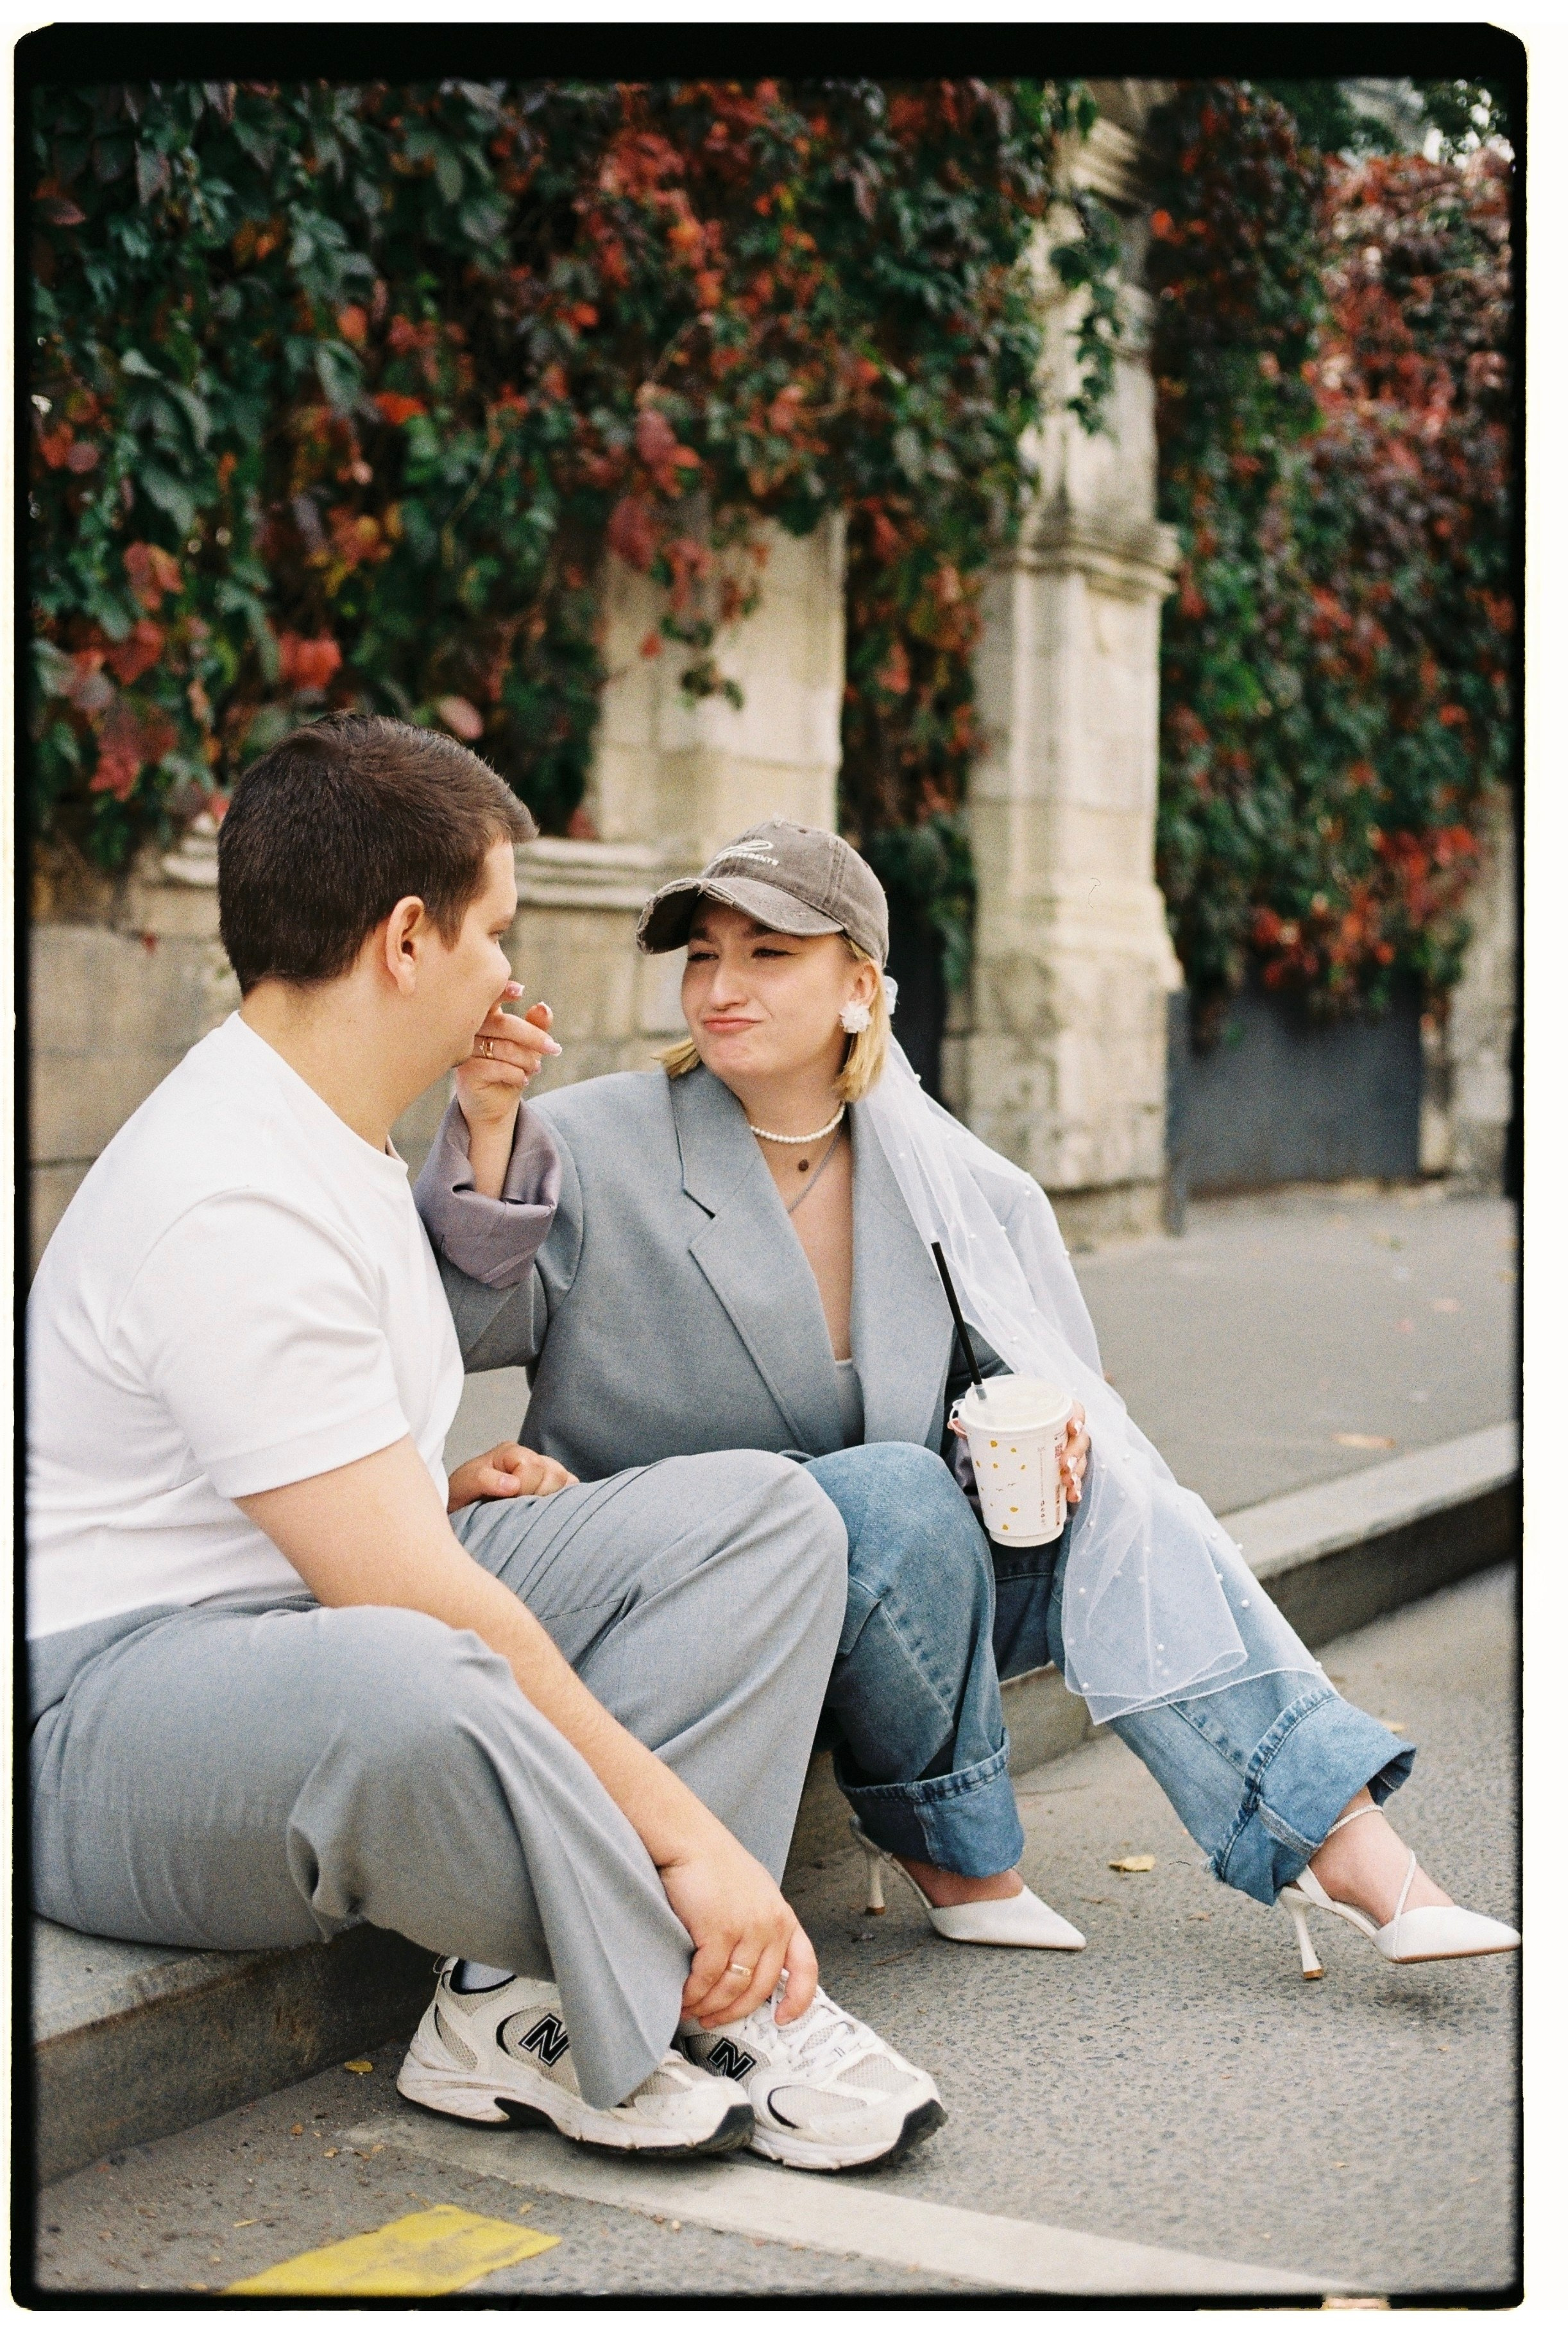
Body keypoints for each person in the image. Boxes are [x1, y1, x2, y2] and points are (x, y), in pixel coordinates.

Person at [27, 727, 946, 2175]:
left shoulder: (338, 1132)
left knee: (764, 1518)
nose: (509, 979)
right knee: (419, 1673)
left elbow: (340, 1505)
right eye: (495, 935)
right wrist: (692, 1837)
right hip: (106, 1711)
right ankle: (694, 1989)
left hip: (297, 1614)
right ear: (406, 938)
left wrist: (417, 1485)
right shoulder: (227, 1193)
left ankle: (516, 2010)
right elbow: (402, 1601)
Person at [418, 818, 1520, 1982]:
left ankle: (1346, 1840)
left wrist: (1038, 1445)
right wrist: (490, 1131)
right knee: (893, 1496)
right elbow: (460, 1335)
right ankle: (956, 1849)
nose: (721, 986)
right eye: (704, 954)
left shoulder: (944, 1179)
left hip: (894, 1620)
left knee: (1123, 1507)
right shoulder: (587, 1137)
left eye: (767, 954)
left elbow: (1002, 1402)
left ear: (860, 987)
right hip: (688, 1609)